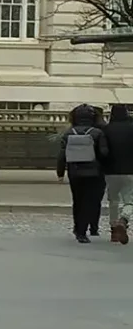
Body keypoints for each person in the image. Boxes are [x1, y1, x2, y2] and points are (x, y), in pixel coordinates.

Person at [57, 103, 108, 242]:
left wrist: (60, 173)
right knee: (90, 201)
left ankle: (77, 228)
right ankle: (85, 230)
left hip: (75, 172)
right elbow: (104, 153)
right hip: (94, 172)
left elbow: (62, 156)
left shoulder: (68, 133)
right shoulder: (97, 133)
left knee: (78, 201)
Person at [104, 103, 133, 244]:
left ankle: (114, 230)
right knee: (129, 200)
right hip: (130, 170)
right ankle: (124, 219)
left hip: (111, 170)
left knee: (113, 200)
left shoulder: (106, 129)